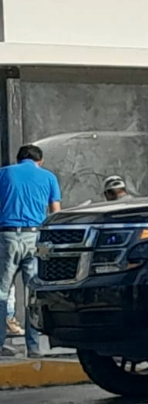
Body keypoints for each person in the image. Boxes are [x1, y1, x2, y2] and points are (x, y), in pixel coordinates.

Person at [0, 145, 62, 357]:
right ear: (40, 160)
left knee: (1, 292)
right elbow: (55, 213)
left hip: (7, 236)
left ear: (18, 160)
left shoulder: (4, 173)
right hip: (35, 238)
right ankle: (33, 347)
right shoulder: (49, 177)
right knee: (33, 295)